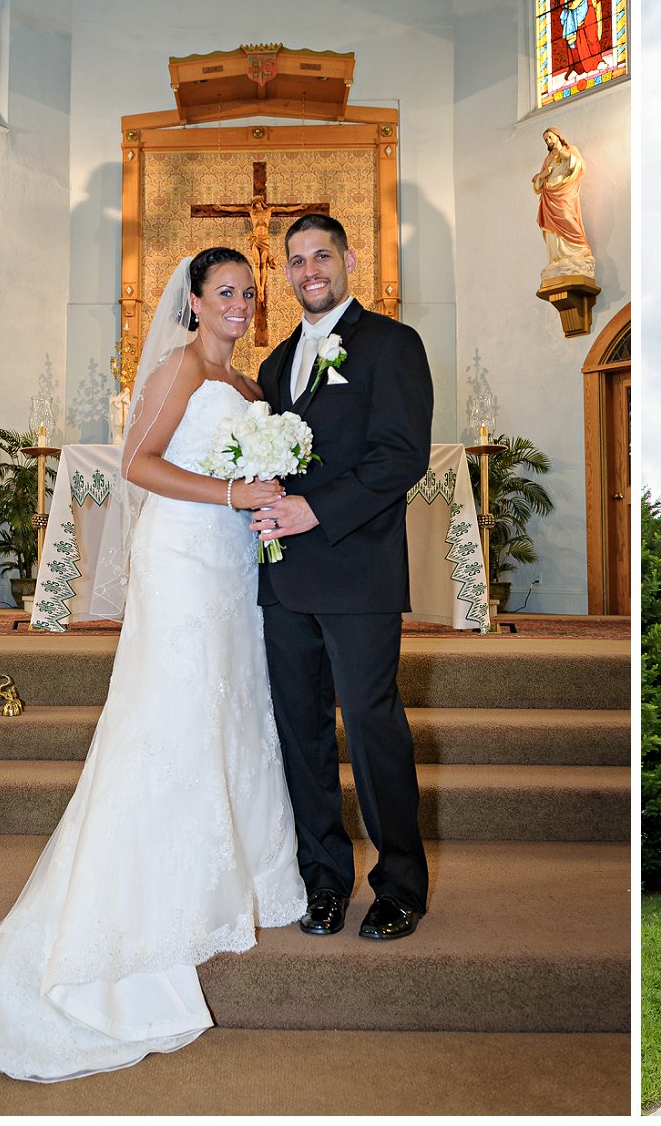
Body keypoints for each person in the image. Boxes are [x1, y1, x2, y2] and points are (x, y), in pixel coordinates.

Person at [0, 249, 304, 1080]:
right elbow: (137, 464)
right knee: (173, 712)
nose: (238, 303)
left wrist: (259, 495)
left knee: (230, 708)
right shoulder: (177, 368)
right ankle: (146, 902)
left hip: (233, 566)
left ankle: (233, 874)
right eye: (223, 291)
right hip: (184, 559)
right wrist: (235, 494)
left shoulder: (246, 386)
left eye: (246, 292)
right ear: (193, 300)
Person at [251, 214, 434, 943]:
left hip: (357, 574)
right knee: (300, 734)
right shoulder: (272, 365)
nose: (309, 270)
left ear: (348, 259)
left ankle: (400, 885)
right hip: (285, 580)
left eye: (321, 254)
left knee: (371, 727)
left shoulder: (392, 344)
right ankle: (322, 881)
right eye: (295, 261)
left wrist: (312, 510)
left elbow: (399, 457)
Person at [532, 127, 595, 279]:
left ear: (558, 136)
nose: (548, 141)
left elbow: (580, 166)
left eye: (550, 137)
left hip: (565, 193)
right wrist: (543, 175)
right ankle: (557, 258)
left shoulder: (570, 150)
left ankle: (580, 251)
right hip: (550, 197)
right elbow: (538, 184)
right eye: (546, 139)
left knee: (567, 216)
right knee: (551, 230)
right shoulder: (548, 159)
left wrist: (565, 155)